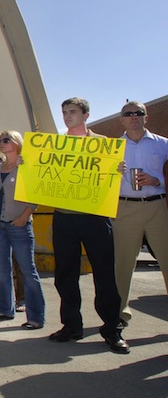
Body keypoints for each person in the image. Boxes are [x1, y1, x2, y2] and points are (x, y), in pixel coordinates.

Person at [48, 97, 128, 353]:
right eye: (64, 112)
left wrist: (118, 170)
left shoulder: (103, 144)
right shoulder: (54, 146)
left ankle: (112, 328)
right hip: (64, 217)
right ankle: (71, 325)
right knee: (65, 274)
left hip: (95, 217)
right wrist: (28, 167)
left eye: (72, 112)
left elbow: (110, 179)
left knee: (104, 273)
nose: (67, 116)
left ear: (86, 115)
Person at [0, 130, 45, 330]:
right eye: (0, 141)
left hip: (19, 225)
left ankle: (36, 316)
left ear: (17, 143)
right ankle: (5, 309)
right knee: (2, 268)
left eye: (6, 140)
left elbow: (36, 194)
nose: (2, 143)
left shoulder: (26, 166)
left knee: (27, 270)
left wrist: (24, 217)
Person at [113, 101, 168, 326]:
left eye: (138, 113)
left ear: (146, 117)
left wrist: (157, 180)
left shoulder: (163, 144)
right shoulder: (113, 148)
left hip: (158, 206)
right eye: (128, 114)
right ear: (122, 119)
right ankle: (119, 314)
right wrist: (113, 174)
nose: (133, 117)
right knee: (122, 264)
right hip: (124, 208)